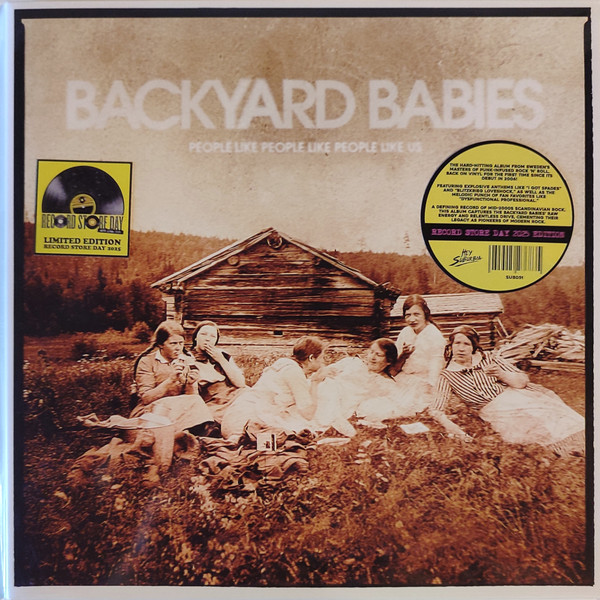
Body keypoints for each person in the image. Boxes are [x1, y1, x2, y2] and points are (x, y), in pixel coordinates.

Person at [429, 325, 585, 455]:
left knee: (550, 413)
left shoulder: (488, 358)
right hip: (493, 411)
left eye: (466, 344)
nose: (461, 348)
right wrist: (456, 430)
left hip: (515, 396)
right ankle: (563, 450)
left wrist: (501, 374)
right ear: (451, 346)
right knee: (529, 427)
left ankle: (582, 444)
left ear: (473, 347)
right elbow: (436, 410)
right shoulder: (447, 376)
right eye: (457, 343)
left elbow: (522, 381)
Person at [220, 336, 326, 441]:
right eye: (321, 358)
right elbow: (307, 413)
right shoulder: (293, 371)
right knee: (296, 437)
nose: (323, 362)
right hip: (245, 423)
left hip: (233, 419)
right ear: (311, 358)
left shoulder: (284, 365)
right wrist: (315, 382)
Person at [314, 338, 428, 431]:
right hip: (322, 389)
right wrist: (325, 374)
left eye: (378, 355)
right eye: (371, 352)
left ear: (388, 361)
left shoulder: (383, 383)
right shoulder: (352, 362)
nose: (372, 357)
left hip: (340, 403)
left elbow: (398, 404)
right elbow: (323, 372)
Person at [131, 320, 214, 434]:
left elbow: (191, 397)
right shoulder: (147, 362)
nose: (178, 348)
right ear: (161, 344)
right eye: (173, 343)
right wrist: (171, 380)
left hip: (177, 409)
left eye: (181, 343)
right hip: (152, 411)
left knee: (195, 400)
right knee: (192, 407)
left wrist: (191, 383)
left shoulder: (186, 360)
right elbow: (146, 398)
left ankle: (201, 431)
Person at [392, 294, 446, 406]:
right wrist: (404, 355)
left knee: (407, 405)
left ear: (425, 314)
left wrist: (429, 389)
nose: (412, 319)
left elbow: (436, 367)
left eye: (417, 314)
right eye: (408, 315)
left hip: (424, 381)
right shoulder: (405, 332)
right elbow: (395, 365)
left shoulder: (434, 335)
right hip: (403, 378)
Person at [190, 320, 246, 422]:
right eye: (203, 334)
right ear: (195, 337)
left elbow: (240, 383)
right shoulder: (187, 358)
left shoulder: (222, 355)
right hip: (214, 402)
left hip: (235, 394)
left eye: (212, 336)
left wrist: (221, 360)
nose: (207, 339)